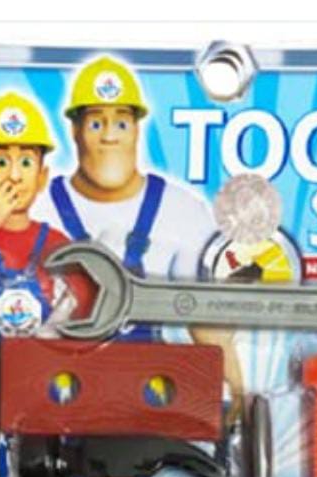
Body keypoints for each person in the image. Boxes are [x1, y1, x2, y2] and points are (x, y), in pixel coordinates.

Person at [33, 55, 217, 344]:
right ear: (75, 131)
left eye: (121, 123)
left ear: (136, 129)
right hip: (59, 368)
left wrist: (240, 381)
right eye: (96, 123)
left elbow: (212, 334)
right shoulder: (36, 210)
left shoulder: (185, 212)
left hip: (153, 371)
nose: (110, 136)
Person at [0, 92, 90, 334]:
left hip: (45, 353)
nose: (14, 176)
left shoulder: (55, 242)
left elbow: (85, 301)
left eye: (25, 163)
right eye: (2, 163)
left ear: (42, 177)